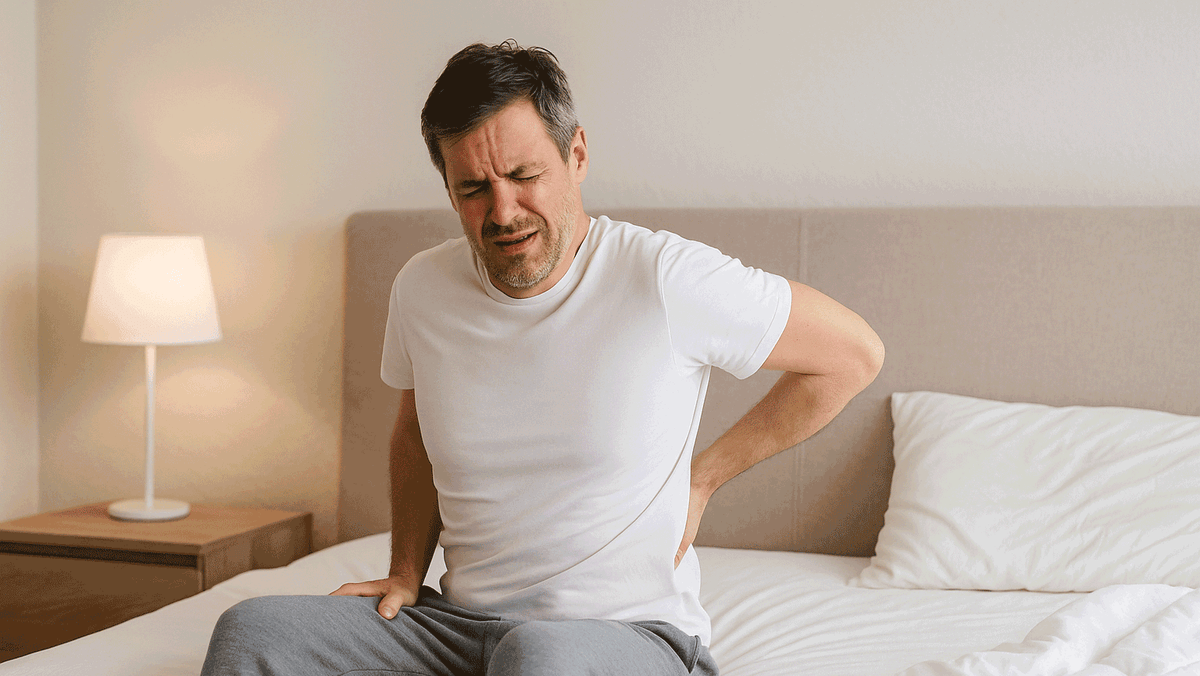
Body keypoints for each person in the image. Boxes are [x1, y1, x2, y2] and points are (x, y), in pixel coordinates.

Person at [201, 40, 884, 676]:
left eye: (525, 176)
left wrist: (703, 478)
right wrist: (407, 571)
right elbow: (415, 435)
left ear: (577, 156)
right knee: (252, 632)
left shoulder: (663, 277)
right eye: (473, 189)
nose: (503, 212)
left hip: (624, 633)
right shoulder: (422, 288)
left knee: (537, 657)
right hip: (457, 626)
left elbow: (852, 355)